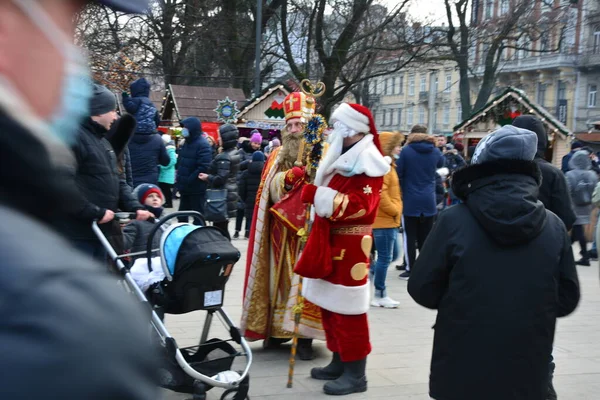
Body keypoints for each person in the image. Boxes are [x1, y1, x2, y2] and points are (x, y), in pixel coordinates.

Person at [0, 0, 159, 398]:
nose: (72, 56)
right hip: (81, 231)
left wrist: (129, 204)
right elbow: (70, 183)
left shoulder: (101, 143)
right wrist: (96, 212)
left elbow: (112, 177)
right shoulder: (57, 325)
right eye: (67, 22)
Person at [408, 126, 580, 400]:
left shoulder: (453, 220)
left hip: (461, 365)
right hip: (528, 367)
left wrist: (463, 301)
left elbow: (422, 288)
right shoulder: (554, 225)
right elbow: (567, 298)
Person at [295, 103, 389, 396]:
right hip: (329, 240)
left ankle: (356, 374)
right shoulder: (345, 155)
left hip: (350, 247)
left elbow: (361, 208)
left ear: (351, 129)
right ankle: (339, 361)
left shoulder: (369, 161)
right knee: (330, 308)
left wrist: (318, 196)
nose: (333, 131)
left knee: (348, 312)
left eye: (337, 126)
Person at [241, 90, 325, 360]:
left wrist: (312, 178)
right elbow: (269, 189)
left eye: (298, 124)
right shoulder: (277, 154)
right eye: (289, 125)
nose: (293, 129)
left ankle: (304, 338)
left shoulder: (320, 152)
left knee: (307, 284)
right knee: (280, 283)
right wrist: (287, 179)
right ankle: (278, 332)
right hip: (281, 230)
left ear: (309, 126)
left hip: (311, 229)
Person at [60, 84, 152, 262]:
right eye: (112, 110)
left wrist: (135, 206)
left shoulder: (102, 142)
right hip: (79, 234)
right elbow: (62, 183)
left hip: (101, 231)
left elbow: (116, 180)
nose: (116, 116)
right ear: (99, 111)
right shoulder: (74, 139)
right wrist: (93, 212)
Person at [396, 124, 445, 280]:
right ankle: (424, 269)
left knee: (409, 237)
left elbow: (399, 173)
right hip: (429, 199)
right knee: (425, 237)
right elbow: (441, 165)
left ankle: (410, 269)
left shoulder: (406, 151)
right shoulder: (435, 151)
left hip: (410, 199)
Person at [371, 131, 403, 308]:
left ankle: (372, 274)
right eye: (396, 145)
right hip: (384, 219)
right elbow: (380, 193)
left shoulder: (390, 165)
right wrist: (394, 210)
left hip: (389, 219)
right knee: (385, 257)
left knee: (393, 255)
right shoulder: (383, 167)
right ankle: (380, 294)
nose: (399, 148)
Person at [198, 124, 241, 235]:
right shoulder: (235, 153)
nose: (218, 139)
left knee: (220, 229)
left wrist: (207, 177)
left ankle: (225, 251)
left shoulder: (224, 156)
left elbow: (220, 179)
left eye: (220, 137)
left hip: (221, 197)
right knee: (223, 227)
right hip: (230, 192)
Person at [127, 79, 170, 187]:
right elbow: (165, 161)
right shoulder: (157, 139)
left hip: (129, 183)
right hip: (150, 185)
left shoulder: (125, 138)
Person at [565, 150, 598, 266]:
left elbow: (567, 191)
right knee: (577, 229)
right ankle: (572, 252)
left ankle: (584, 255)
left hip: (574, 205)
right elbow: (595, 190)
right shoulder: (592, 174)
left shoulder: (570, 175)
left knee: (577, 229)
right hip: (587, 206)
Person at [176, 117, 212, 219]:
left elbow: (204, 166)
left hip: (196, 188)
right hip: (185, 188)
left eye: (185, 127)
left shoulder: (203, 144)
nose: (183, 130)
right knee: (182, 216)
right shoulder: (186, 143)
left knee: (198, 217)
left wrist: (189, 179)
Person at [123, 184, 165, 262]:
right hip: (141, 265)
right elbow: (123, 244)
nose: (155, 199)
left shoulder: (166, 222)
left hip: (162, 263)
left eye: (158, 196)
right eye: (150, 196)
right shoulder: (136, 223)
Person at [235, 131, 262, 238]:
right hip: (241, 182)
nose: (256, 145)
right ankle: (237, 230)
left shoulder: (259, 154)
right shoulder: (242, 151)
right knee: (240, 209)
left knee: (249, 210)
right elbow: (237, 166)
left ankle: (247, 230)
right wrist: (248, 163)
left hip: (252, 183)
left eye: (258, 144)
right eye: (255, 143)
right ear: (251, 142)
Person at [238, 151, 266, 239]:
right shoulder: (265, 172)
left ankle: (248, 232)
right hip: (261, 198)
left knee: (250, 217)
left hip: (249, 198)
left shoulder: (246, 173)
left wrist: (244, 198)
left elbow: (241, 188)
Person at [159, 134, 177, 208]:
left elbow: (173, 160)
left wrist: (163, 166)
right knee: (165, 189)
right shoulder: (168, 149)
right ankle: (167, 202)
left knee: (166, 189)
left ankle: (169, 203)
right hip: (165, 173)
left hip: (167, 173)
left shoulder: (170, 150)